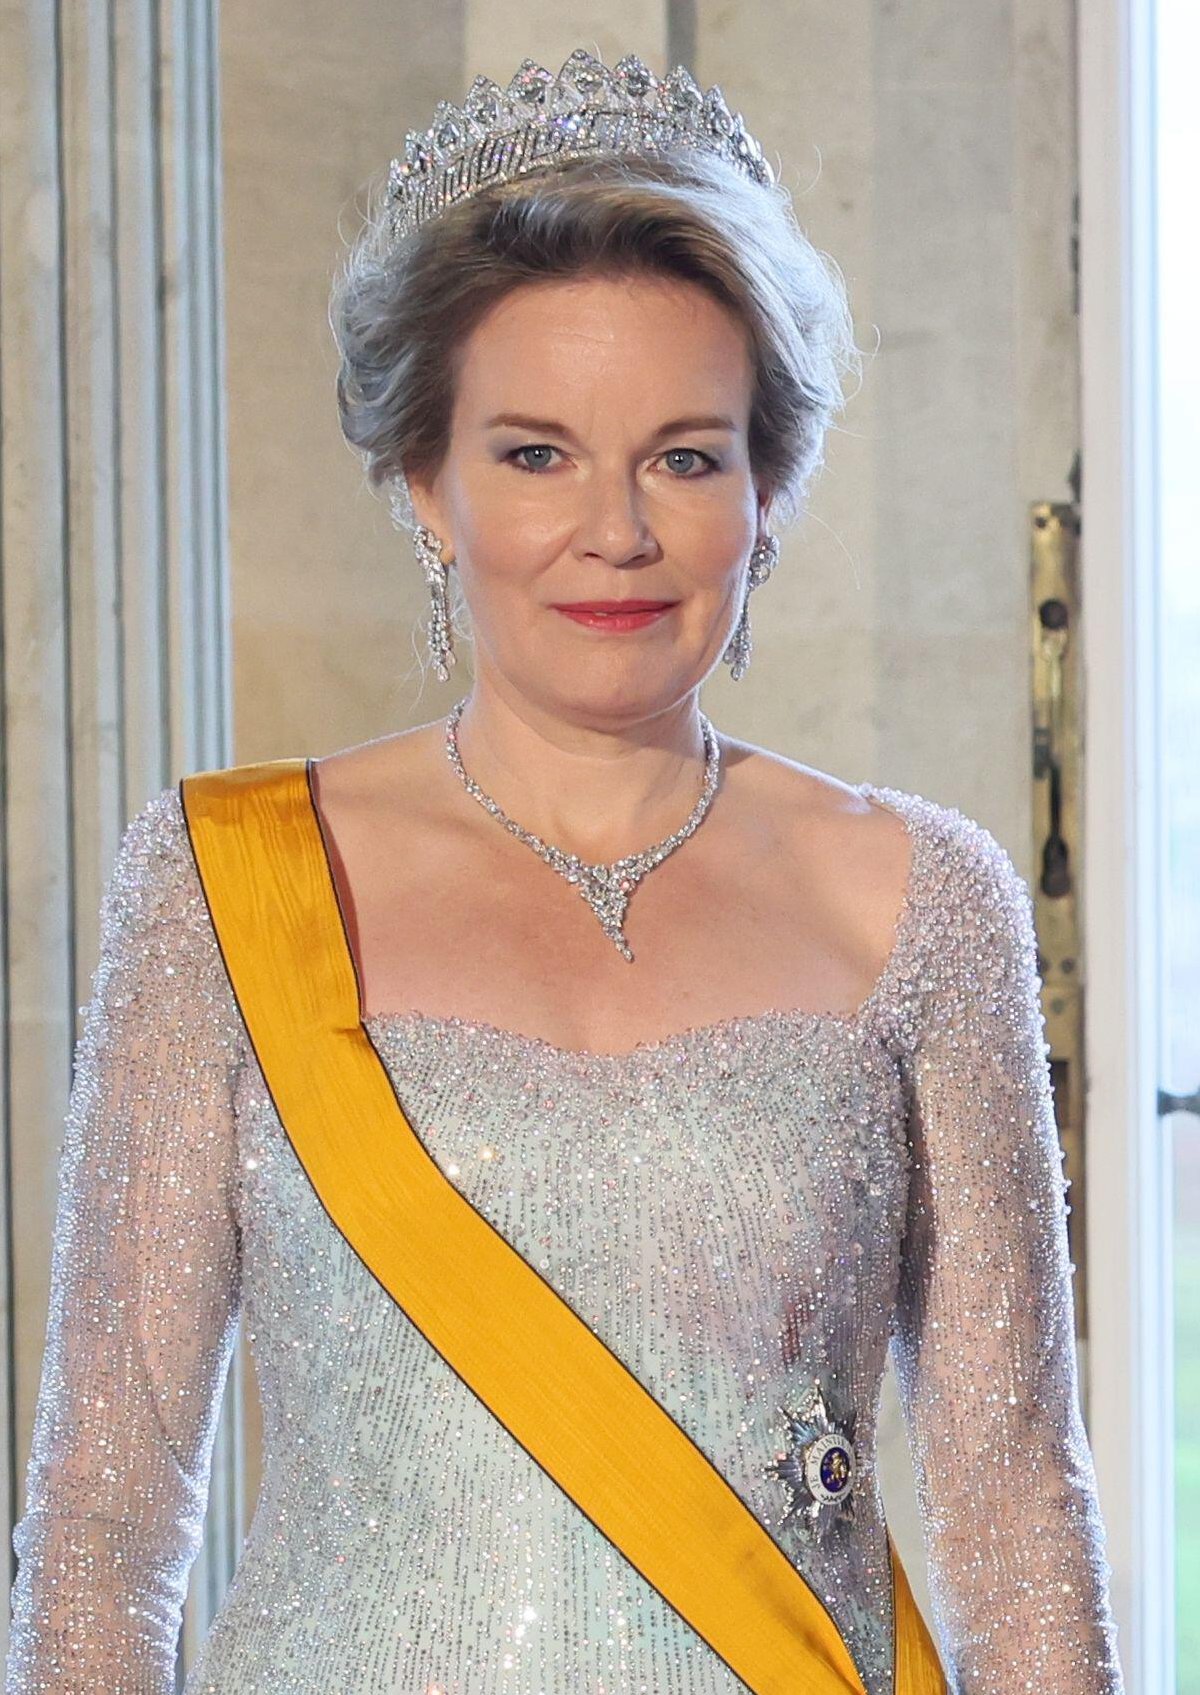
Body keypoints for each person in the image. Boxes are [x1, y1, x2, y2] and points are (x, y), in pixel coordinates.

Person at [4, 45, 1126, 1695]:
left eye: (686, 455)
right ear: (425, 486)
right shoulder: (228, 884)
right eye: (535, 453)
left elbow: (1019, 1508)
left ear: (767, 492)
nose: (617, 530)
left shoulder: (922, 899)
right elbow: (107, 1514)